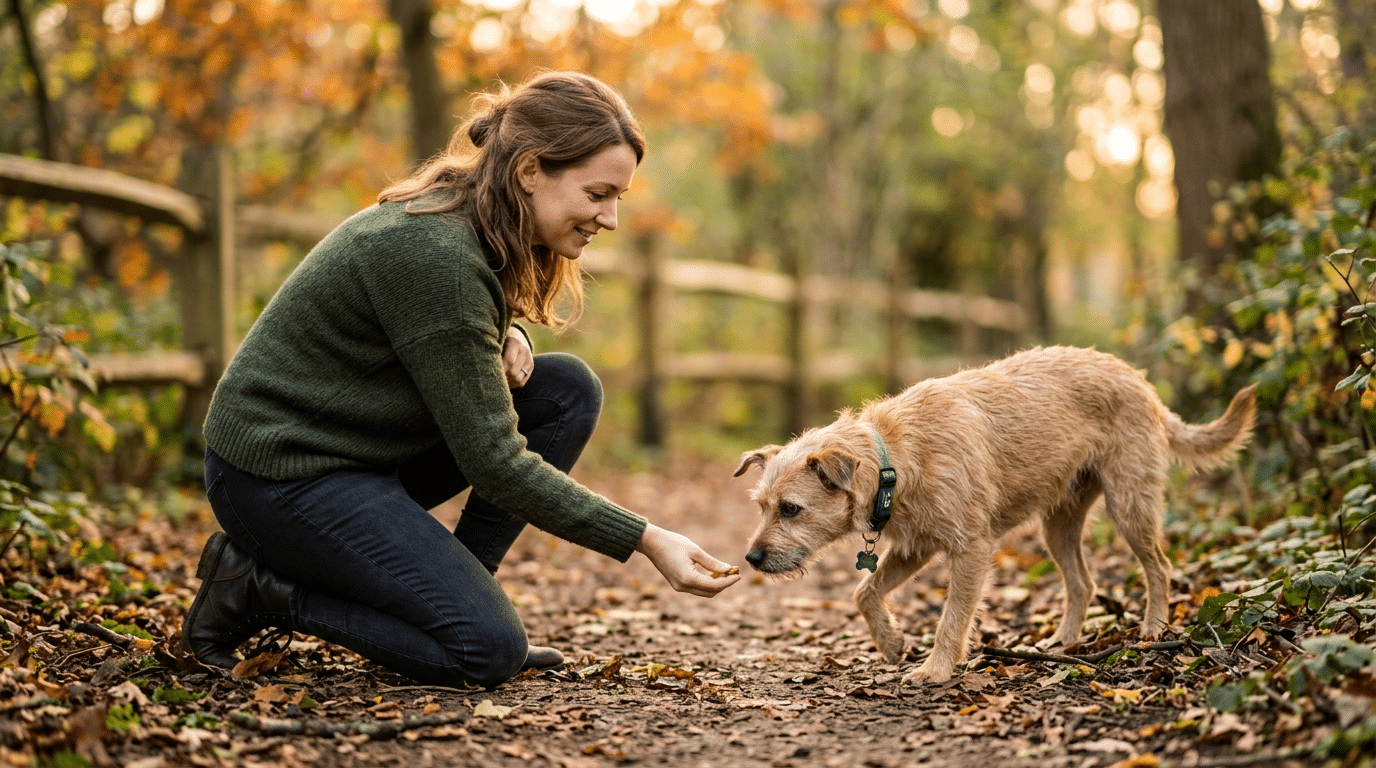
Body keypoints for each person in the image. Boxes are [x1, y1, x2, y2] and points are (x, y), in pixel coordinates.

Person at [180, 71, 742, 689]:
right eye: (598, 193)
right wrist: (646, 538)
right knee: (483, 654)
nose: (609, 218)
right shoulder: (436, 255)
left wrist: (510, 331)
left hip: (354, 453)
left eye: (618, 198)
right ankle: (259, 587)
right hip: (276, 477)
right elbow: (495, 460)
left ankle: (457, 597)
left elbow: (446, 332)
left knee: (564, 391)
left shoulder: (471, 217)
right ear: (530, 171)